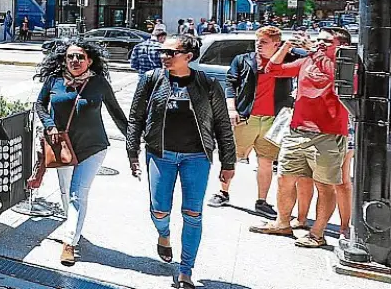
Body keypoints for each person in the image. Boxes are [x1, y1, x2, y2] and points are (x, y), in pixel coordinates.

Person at [126, 33, 235, 289]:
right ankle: (164, 235)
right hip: (160, 154)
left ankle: (186, 270)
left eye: (170, 53)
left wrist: (228, 162)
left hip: (196, 157)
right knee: (159, 210)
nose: (164, 56)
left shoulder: (207, 83)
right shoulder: (152, 79)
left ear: (188, 56)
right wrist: (132, 152)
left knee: (193, 213)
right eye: (162, 52)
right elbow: (136, 117)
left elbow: (222, 124)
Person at [250, 27, 352, 248]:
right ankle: (282, 223)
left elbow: (337, 79)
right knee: (285, 179)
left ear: (342, 46)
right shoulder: (308, 60)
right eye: (319, 40)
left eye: (327, 41)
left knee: (325, 186)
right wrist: (287, 46)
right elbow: (272, 69)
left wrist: (315, 51)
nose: (321, 43)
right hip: (296, 132)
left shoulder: (345, 66)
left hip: (327, 135)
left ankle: (317, 234)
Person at [34, 38, 129, 267]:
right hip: (63, 148)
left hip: (93, 147)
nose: (75, 60)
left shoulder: (99, 83)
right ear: (64, 60)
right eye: (70, 57)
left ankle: (69, 242)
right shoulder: (54, 80)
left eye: (80, 57)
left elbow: (117, 113)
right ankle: (73, 226)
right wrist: (49, 125)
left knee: (77, 193)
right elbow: (39, 104)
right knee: (66, 192)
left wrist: (133, 140)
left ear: (90, 61)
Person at [210, 26, 297, 216]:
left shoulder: (288, 60)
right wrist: (231, 108)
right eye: (257, 41)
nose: (259, 45)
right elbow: (230, 83)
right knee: (231, 157)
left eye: (264, 42)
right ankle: (223, 192)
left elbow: (307, 55)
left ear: (276, 44)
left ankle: (262, 201)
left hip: (273, 120)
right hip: (246, 117)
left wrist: (290, 46)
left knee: (266, 162)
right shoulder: (243, 60)